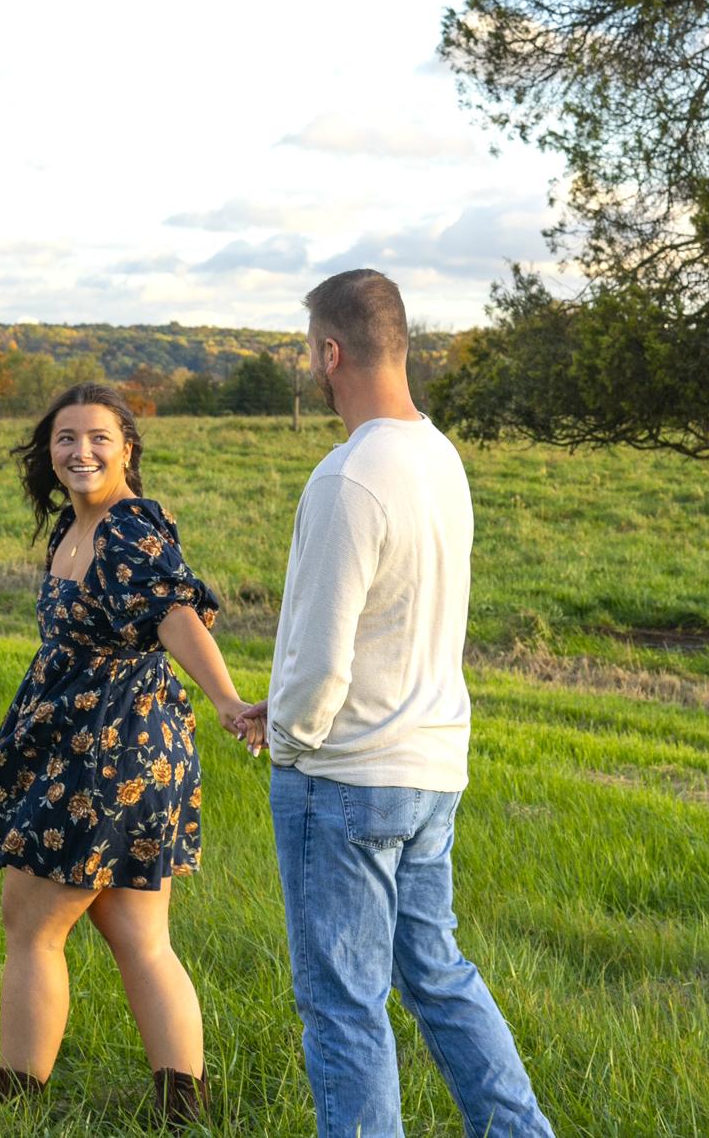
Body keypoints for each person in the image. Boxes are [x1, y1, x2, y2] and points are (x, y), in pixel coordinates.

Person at [239, 270, 555, 1138]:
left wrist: (292, 735)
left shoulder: (348, 475)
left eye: (310, 352)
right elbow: (393, 619)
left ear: (329, 353)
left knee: (343, 1003)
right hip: (430, 766)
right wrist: (288, 703)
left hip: (346, 776)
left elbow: (323, 652)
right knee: (437, 975)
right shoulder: (439, 457)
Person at [0, 382, 264, 1127]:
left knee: (32, 924)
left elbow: (175, 615)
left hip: (110, 750)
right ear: (49, 450)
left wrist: (228, 701)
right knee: (136, 934)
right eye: (66, 438)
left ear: (128, 448)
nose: (81, 451)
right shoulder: (75, 523)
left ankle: (16, 1101)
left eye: (98, 437)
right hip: (102, 744)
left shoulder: (128, 529)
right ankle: (182, 1106)